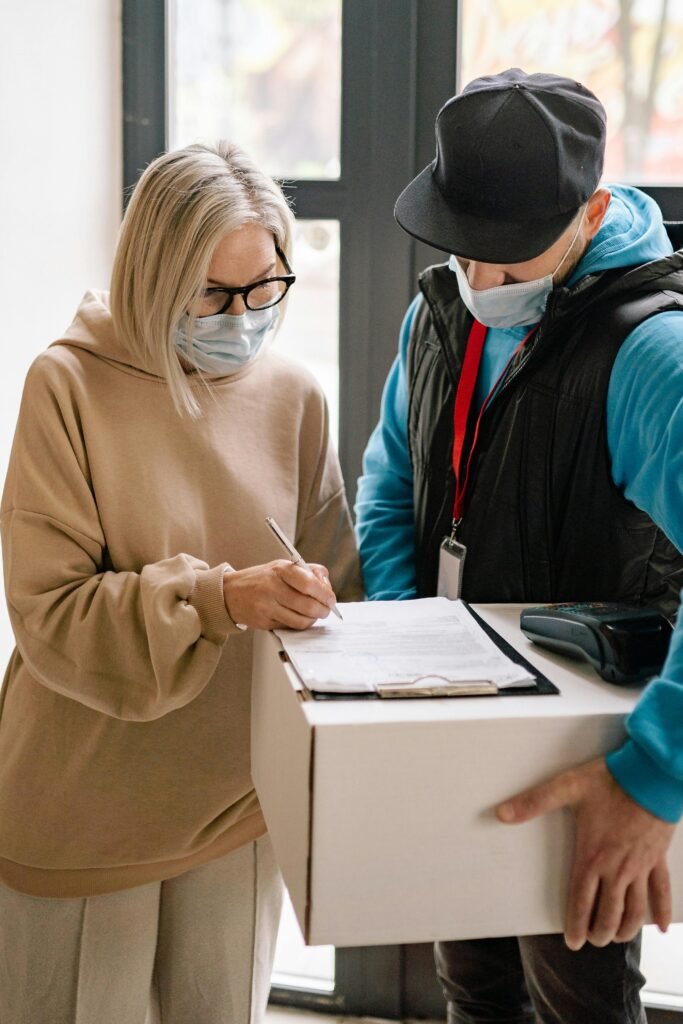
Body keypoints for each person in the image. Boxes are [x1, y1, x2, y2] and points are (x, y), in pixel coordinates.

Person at [0, 141, 362, 1024]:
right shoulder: (69, 385)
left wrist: (315, 604)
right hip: (84, 804)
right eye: (210, 293)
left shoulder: (294, 397)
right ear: (152, 275)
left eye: (264, 287)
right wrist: (216, 598)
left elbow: (340, 595)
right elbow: (50, 609)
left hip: (238, 801)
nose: (241, 316)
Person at [355, 68, 682, 1024]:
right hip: (453, 713)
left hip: (580, 742)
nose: (483, 282)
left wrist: (653, 776)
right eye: (467, 252)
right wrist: (404, 642)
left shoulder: (650, 358)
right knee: (474, 987)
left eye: (510, 258)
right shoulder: (439, 310)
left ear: (588, 213)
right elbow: (390, 478)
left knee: (574, 995)